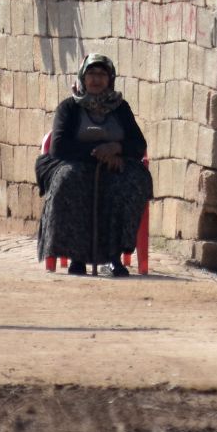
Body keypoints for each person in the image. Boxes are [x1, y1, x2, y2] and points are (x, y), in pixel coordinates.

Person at [35, 54, 151, 277]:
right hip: (74, 162)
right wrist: (99, 153)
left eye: (101, 74)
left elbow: (138, 144)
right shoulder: (68, 108)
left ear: (110, 79)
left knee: (127, 184)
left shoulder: (121, 108)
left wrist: (117, 148)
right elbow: (58, 147)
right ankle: (76, 258)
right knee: (69, 181)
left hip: (115, 164)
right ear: (82, 78)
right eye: (91, 74)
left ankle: (115, 258)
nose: (96, 80)